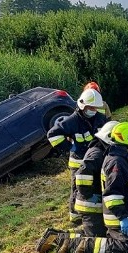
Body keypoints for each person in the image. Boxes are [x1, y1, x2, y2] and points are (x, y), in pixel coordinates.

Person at [38, 122, 128, 253]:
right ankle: (63, 243)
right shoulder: (98, 153)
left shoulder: (106, 152)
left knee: (98, 235)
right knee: (96, 238)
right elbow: (83, 176)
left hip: (101, 203)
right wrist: (88, 196)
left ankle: (56, 237)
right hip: (91, 204)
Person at [47, 87, 108, 224]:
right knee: (77, 189)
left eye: (95, 108)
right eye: (90, 107)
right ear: (82, 105)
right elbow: (52, 135)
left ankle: (93, 212)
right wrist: (70, 147)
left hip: (95, 161)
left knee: (94, 185)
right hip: (78, 162)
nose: (93, 110)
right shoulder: (72, 121)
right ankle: (75, 216)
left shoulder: (100, 118)